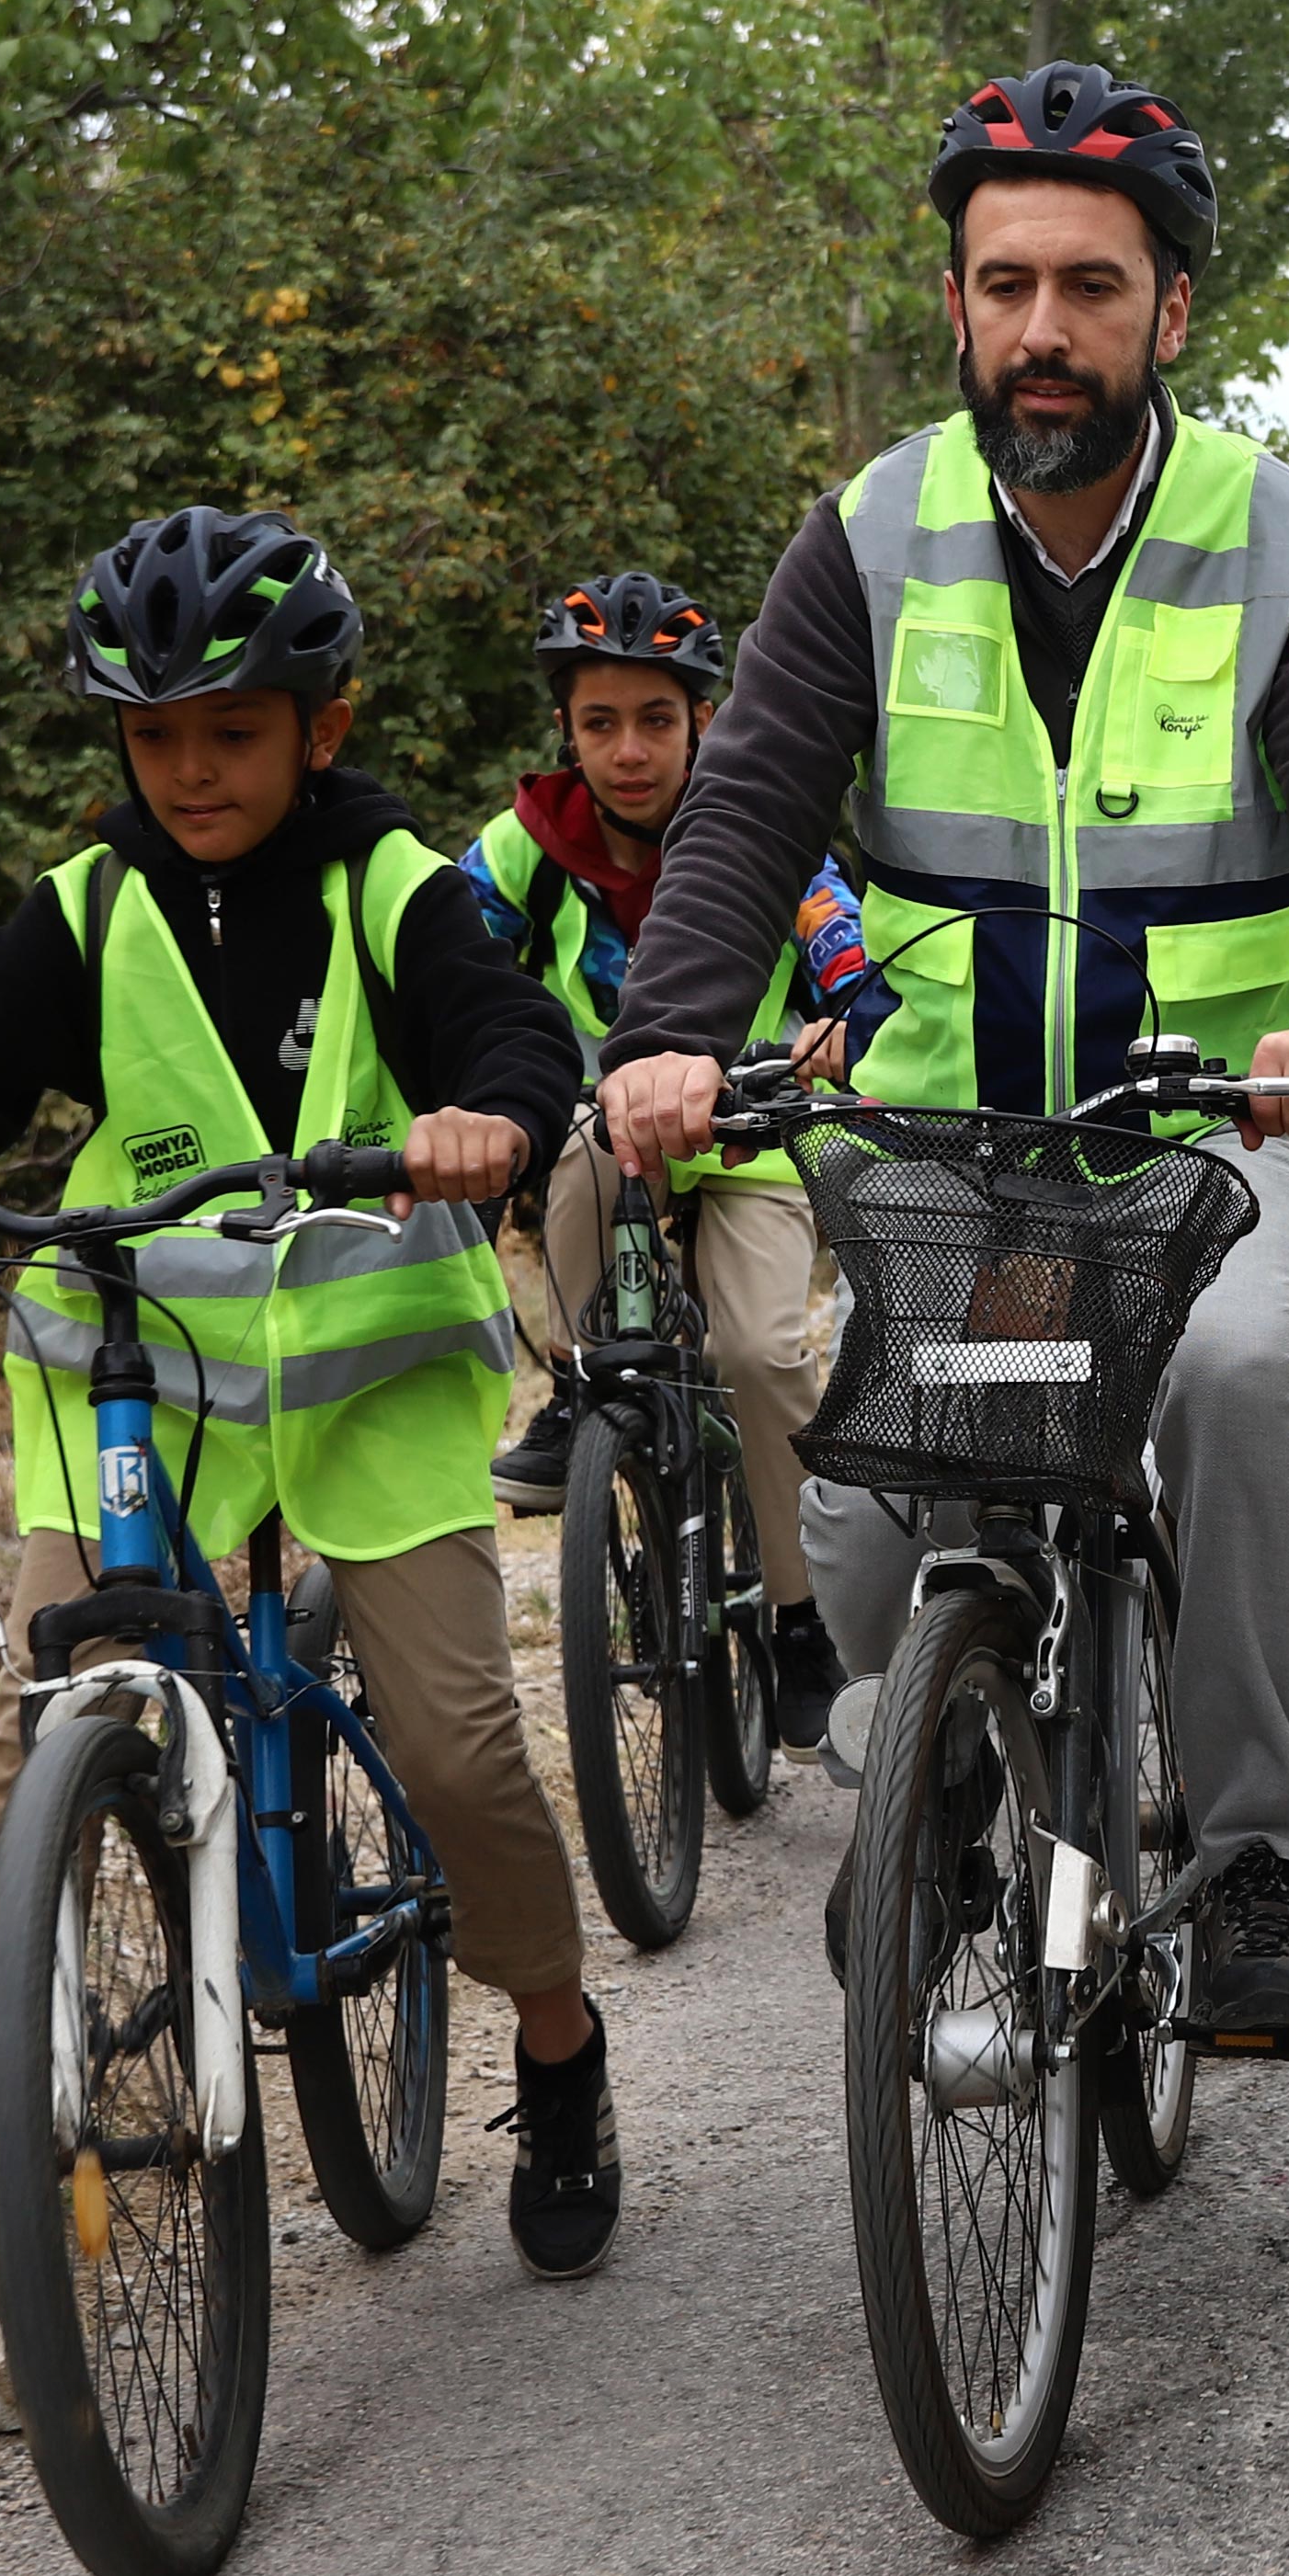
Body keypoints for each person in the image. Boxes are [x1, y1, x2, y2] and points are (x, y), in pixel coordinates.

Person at [598, 63, 1289, 2039]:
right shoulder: (870, 536)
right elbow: (749, 811)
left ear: (1168, 310)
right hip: (955, 1133)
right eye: (1004, 286)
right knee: (881, 1470)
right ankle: (934, 1760)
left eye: (1088, 285)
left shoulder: (1279, 537)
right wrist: (672, 1042)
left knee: (1240, 1382)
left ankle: (1246, 1859)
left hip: (1214, 1128)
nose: (1042, 330)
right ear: (959, 302)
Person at [0, 509, 628, 2279]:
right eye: (152, 737)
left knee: (451, 1742)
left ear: (321, 728)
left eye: (232, 733)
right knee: (38, 1728)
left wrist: (490, 1113)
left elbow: (506, 1025)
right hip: (149, 1394)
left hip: (370, 1391)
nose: (190, 772)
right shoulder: (90, 910)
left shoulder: (393, 887)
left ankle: (562, 2047)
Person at [463, 568, 882, 1750]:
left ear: (704, 720)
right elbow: (439, 963)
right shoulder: (524, 851)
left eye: (657, 719)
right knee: (589, 1153)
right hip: (611, 1130)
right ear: (567, 731)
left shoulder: (769, 837)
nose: (629, 750)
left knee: (755, 1349)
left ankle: (801, 1619)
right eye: (600, 723)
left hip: (749, 1140)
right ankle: (583, 1380)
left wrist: (853, 1023)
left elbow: (854, 966)